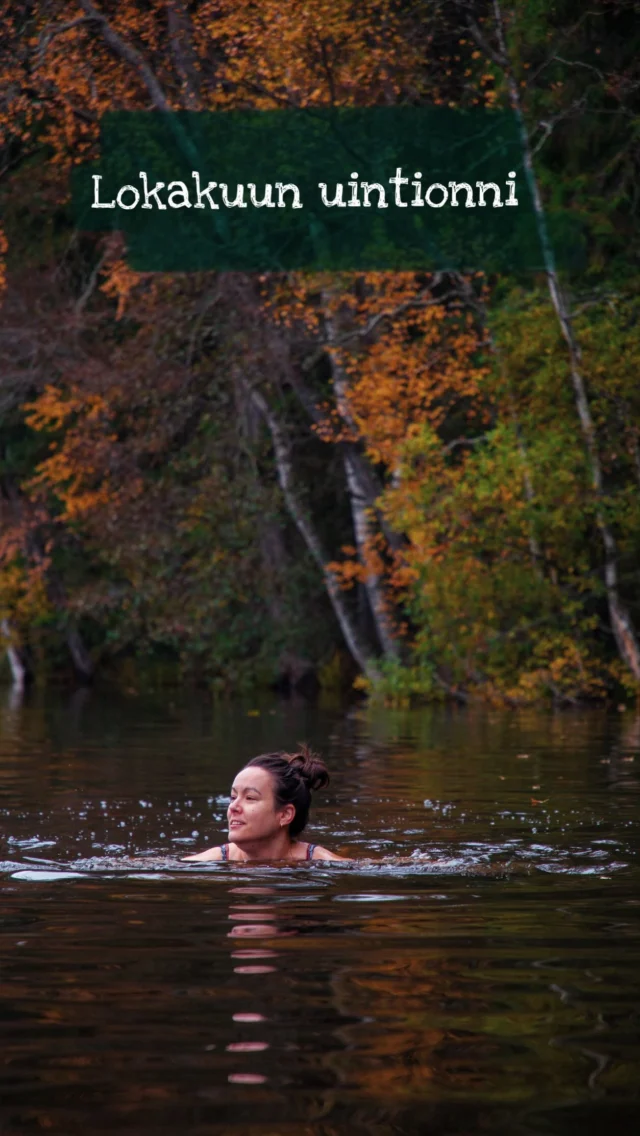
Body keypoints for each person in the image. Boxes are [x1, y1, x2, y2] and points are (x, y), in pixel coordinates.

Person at [183, 745, 347, 862]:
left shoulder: (325, 864)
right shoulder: (204, 863)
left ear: (285, 814)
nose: (233, 807)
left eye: (250, 798)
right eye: (233, 797)